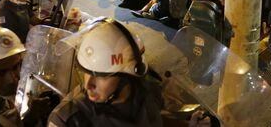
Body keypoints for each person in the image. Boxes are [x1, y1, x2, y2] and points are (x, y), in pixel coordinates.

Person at [48, 18, 209, 126]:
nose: (88, 84)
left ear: (130, 74)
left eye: (102, 76)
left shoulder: (148, 90)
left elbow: (155, 119)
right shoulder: (69, 119)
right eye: (86, 72)